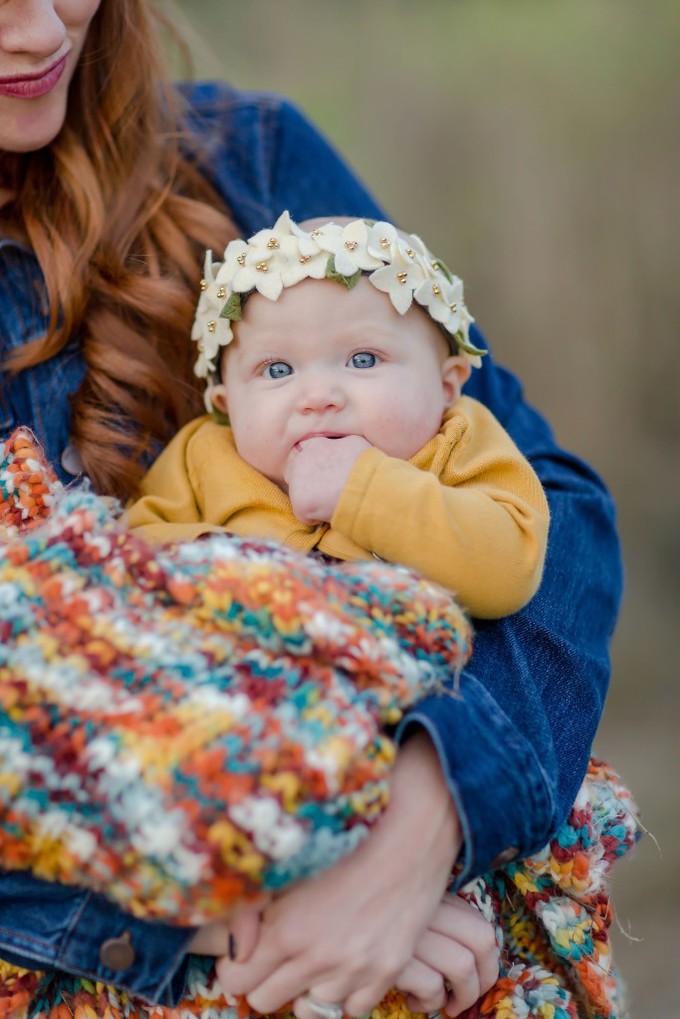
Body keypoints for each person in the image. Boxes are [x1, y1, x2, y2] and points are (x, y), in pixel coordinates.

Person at [0, 3, 623, 1018]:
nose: (35, 29)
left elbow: (554, 520)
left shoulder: (246, 163)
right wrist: (253, 905)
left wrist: (428, 818)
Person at [126, 212, 550, 624]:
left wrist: (365, 490)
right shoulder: (203, 455)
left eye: (363, 359)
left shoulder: (457, 441)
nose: (318, 397)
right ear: (225, 404)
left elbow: (510, 570)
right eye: (277, 370)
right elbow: (128, 549)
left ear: (447, 385)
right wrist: (228, 560)